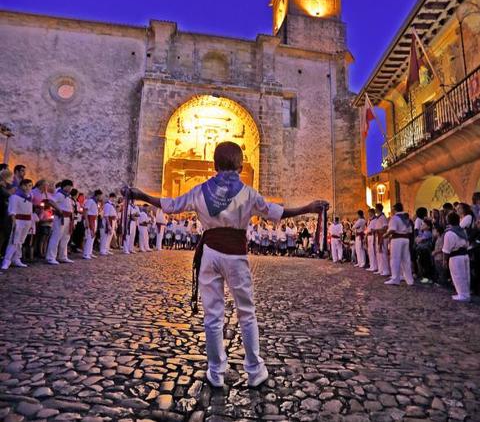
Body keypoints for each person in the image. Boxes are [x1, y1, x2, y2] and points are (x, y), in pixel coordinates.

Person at [125, 141, 328, 388]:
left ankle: (216, 371)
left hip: (210, 253)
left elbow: (171, 205)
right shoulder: (248, 193)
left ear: (214, 165)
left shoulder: (200, 190)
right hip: (236, 256)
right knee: (246, 312)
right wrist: (308, 208)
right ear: (241, 167)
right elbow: (277, 212)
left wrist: (142, 196)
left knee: (213, 315)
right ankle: (254, 370)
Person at [2, 178, 34, 270]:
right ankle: (6, 260)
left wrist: (31, 222)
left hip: (27, 221)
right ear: (22, 186)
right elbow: (12, 210)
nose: (28, 187)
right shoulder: (15, 197)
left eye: (30, 185)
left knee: (21, 241)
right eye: (26, 185)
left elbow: (30, 210)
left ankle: (16, 258)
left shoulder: (29, 197)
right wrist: (14, 222)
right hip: (18, 220)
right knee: (14, 241)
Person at [442, 211, 471, 302]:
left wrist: (444, 261)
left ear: (448, 221)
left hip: (455, 257)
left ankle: (463, 295)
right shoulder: (463, 231)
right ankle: (466, 293)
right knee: (466, 275)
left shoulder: (449, 233)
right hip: (465, 255)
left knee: (458, 275)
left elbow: (446, 250)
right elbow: (467, 243)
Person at [384, 202, 414, 286]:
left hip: (397, 239)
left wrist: (385, 235)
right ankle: (409, 280)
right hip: (406, 239)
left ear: (395, 209)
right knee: (406, 259)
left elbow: (392, 229)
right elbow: (410, 230)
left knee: (395, 259)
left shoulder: (394, 218)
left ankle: (395, 278)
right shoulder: (406, 218)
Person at [46, 179, 75, 265]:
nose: (70, 188)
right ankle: (51, 257)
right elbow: (51, 201)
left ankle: (63, 256)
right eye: (69, 186)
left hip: (68, 218)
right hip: (60, 218)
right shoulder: (59, 194)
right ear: (65, 186)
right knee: (56, 237)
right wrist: (58, 209)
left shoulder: (67, 196)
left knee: (65, 238)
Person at [83, 189, 103, 260]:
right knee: (89, 236)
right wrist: (86, 221)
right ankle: (86, 253)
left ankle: (90, 252)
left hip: (94, 219)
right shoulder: (90, 201)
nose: (101, 197)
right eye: (100, 196)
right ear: (97, 195)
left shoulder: (96, 202)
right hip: (90, 219)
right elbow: (85, 210)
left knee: (92, 236)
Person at [0, 169, 15, 256]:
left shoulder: (5, 187)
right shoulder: (2, 188)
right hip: (1, 214)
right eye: (11, 177)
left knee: (3, 236)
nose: (13, 179)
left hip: (4, 215)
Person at [374, 203, 390, 276]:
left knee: (383, 254)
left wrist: (377, 230)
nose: (375, 209)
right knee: (379, 254)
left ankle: (386, 270)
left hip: (382, 236)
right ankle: (381, 269)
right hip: (378, 236)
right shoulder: (378, 217)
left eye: (375, 208)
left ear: (378, 209)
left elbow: (385, 227)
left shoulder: (383, 217)